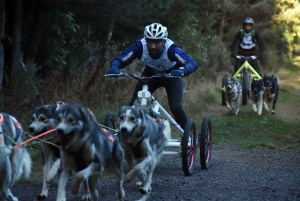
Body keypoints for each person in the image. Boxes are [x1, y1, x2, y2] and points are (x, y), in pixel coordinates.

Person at [107, 23, 198, 129]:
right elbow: (121, 59)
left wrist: (182, 71)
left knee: (175, 107)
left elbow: (191, 63)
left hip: (172, 76)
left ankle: (187, 133)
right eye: (150, 41)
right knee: (134, 104)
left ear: (164, 41)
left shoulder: (171, 49)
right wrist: (114, 67)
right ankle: (127, 131)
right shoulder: (140, 46)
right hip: (150, 74)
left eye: (157, 42)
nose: (153, 46)